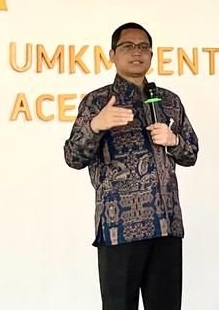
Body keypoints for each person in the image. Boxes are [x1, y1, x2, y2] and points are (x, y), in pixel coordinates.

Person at [64, 22, 199, 310]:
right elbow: (73, 157)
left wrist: (174, 140)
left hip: (166, 227)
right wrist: (95, 126)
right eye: (128, 46)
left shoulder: (169, 101)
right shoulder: (98, 102)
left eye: (143, 47)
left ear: (151, 54)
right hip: (119, 229)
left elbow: (191, 154)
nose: (136, 52)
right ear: (112, 54)